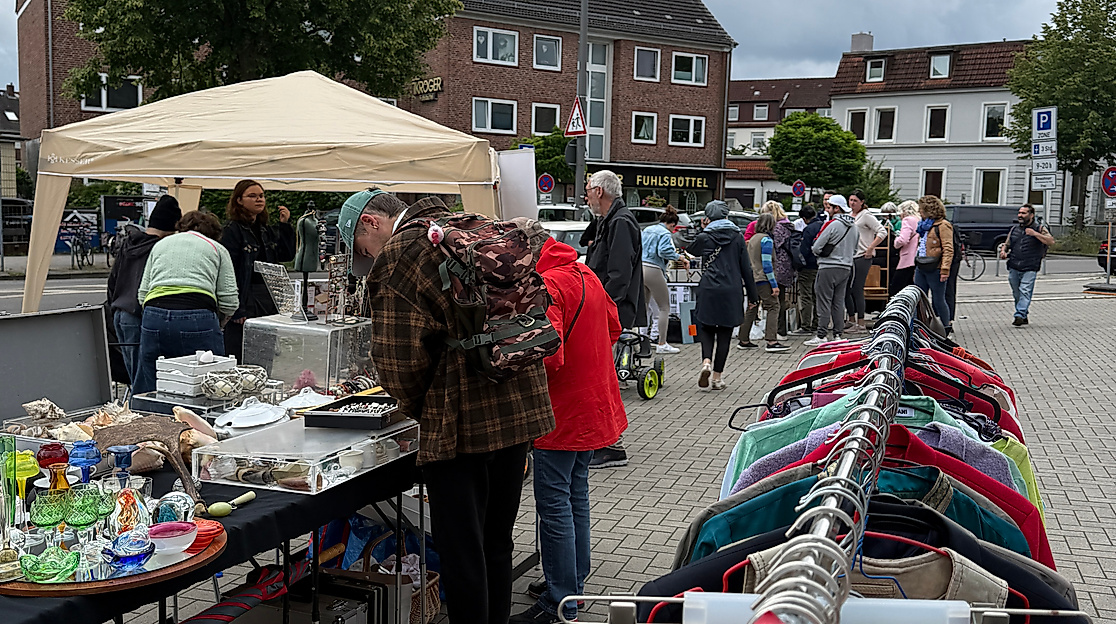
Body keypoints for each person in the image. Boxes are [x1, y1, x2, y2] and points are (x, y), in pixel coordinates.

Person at [343, 189, 555, 624]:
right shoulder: (469, 223)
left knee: (463, 553)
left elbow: (398, 361)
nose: (368, 257)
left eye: (364, 250)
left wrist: (423, 407)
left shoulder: (403, 250)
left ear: (371, 223)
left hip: (460, 422)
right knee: (497, 542)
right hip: (520, 407)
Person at [511, 221, 627, 624]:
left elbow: (549, 354)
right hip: (594, 405)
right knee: (575, 496)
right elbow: (614, 328)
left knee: (555, 504)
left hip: (561, 412)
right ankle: (571, 582)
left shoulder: (546, 285)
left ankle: (560, 601)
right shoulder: (584, 272)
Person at [133, 211, 239, 394]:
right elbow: (229, 300)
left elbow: (142, 293)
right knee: (210, 382)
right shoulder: (217, 248)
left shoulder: (161, 245)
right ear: (214, 232)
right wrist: (220, 322)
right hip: (198, 315)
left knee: (154, 382)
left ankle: (149, 418)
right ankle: (198, 420)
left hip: (154, 313)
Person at [583, 169, 642, 469]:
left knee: (603, 378)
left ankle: (611, 445)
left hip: (610, 311)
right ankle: (605, 441)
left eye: (588, 189)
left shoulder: (620, 222)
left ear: (600, 192)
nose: (586, 194)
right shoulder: (611, 220)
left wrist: (598, 308)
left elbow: (619, 275)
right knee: (601, 377)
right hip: (608, 309)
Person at [106, 195, 180, 388]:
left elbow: (112, 282)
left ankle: (135, 411)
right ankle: (140, 416)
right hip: (140, 314)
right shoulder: (160, 249)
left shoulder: (129, 243)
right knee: (145, 380)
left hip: (120, 313)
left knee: (134, 376)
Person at [219, 179, 295, 361]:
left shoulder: (265, 229)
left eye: (261, 196)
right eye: (252, 196)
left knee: (264, 351)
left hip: (267, 297)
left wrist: (285, 226)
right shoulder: (232, 230)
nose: (259, 200)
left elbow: (285, 255)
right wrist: (237, 309)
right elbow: (230, 272)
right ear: (239, 200)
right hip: (246, 297)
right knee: (240, 353)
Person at [688, 200, 758, 389]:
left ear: (707, 218)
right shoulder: (737, 236)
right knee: (725, 333)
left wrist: (702, 229)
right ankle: (717, 378)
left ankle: (706, 362)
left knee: (706, 327)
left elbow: (690, 250)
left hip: (709, 287)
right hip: (731, 289)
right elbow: (746, 268)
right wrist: (753, 296)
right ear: (727, 216)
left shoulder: (705, 236)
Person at [804, 194, 858, 347]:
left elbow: (816, 247)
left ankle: (821, 335)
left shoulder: (832, 224)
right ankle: (838, 334)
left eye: (830, 206)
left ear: (836, 208)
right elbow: (855, 248)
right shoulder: (854, 226)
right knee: (839, 301)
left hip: (828, 267)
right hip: (846, 267)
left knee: (823, 301)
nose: (827, 209)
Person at [738, 214, 790, 353]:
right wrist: (774, 284)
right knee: (773, 306)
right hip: (763, 279)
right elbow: (767, 264)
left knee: (752, 306)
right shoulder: (766, 240)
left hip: (752, 278)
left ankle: (743, 338)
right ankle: (771, 340)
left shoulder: (753, 239)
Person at [641, 206, 688, 354]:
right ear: (672, 225)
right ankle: (661, 343)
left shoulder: (647, 229)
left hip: (640, 268)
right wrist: (680, 257)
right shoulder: (665, 233)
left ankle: (642, 341)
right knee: (664, 307)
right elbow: (664, 251)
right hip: (654, 268)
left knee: (644, 307)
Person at [999, 203, 1054, 326]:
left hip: (1030, 266)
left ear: (1031, 215)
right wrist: (1003, 251)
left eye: (1023, 213)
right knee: (1016, 292)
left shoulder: (1039, 229)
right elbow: (1007, 243)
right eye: (1019, 213)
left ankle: (1019, 314)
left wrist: (1035, 234)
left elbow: (1051, 241)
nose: (1020, 215)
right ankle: (1023, 314)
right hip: (1014, 265)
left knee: (1025, 290)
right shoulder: (1014, 229)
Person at [846, 189, 887, 333]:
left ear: (862, 202)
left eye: (855, 201)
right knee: (847, 289)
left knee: (857, 288)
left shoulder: (866, 216)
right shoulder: (849, 215)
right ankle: (851, 319)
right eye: (850, 200)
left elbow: (882, 231)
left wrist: (870, 248)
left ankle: (861, 322)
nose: (852, 203)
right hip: (850, 255)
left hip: (862, 256)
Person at [913, 195, 955, 333]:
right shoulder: (924, 226)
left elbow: (948, 249)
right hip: (922, 265)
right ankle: (919, 326)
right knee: (918, 298)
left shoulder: (943, 225)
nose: (919, 212)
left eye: (921, 209)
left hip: (935, 267)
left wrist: (945, 269)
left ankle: (946, 327)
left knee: (938, 299)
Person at [790, 204, 820, 336]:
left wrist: (800, 263)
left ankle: (806, 325)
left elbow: (804, 249)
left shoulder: (808, 229)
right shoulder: (823, 225)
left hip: (808, 266)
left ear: (804, 218)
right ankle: (816, 323)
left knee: (806, 295)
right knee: (816, 295)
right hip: (820, 265)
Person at [769, 202, 797, 339]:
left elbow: (774, 246)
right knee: (781, 298)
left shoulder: (778, 228)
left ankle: (780, 330)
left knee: (777, 300)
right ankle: (781, 329)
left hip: (779, 266)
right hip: (787, 266)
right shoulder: (788, 226)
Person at [892, 200, 921, 294]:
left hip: (907, 258)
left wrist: (896, 242)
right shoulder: (918, 219)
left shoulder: (907, 220)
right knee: (912, 288)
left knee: (896, 288)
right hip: (917, 257)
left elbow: (903, 239)